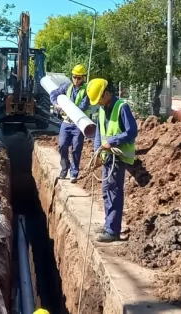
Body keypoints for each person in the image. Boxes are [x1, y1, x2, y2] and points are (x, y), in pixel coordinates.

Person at [86, 78, 138, 243]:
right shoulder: (102, 110)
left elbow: (132, 132)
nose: (99, 103)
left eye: (99, 99)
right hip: (106, 156)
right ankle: (109, 224)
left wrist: (114, 141)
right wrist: (96, 154)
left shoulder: (122, 107)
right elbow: (99, 135)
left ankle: (113, 230)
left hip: (118, 156)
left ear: (107, 93)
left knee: (114, 192)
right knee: (106, 191)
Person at [49, 64, 90, 183]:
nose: (76, 80)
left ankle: (74, 172)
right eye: (74, 77)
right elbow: (53, 94)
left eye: (79, 78)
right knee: (62, 145)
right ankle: (64, 166)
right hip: (66, 123)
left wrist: (67, 108)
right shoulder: (67, 87)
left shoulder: (86, 90)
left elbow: (83, 106)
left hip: (78, 124)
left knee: (76, 148)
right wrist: (56, 103)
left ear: (83, 78)